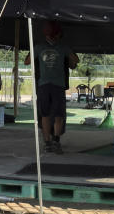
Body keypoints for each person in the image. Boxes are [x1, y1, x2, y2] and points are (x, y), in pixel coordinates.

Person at [25, 21, 78, 154]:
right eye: (49, 34)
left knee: (58, 115)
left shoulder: (63, 47)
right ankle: (48, 142)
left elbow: (75, 61)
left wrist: (70, 59)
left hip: (58, 85)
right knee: (46, 114)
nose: (50, 37)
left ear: (58, 35)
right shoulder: (39, 47)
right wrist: (33, 54)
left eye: (52, 34)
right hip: (44, 84)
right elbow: (27, 61)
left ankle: (55, 140)